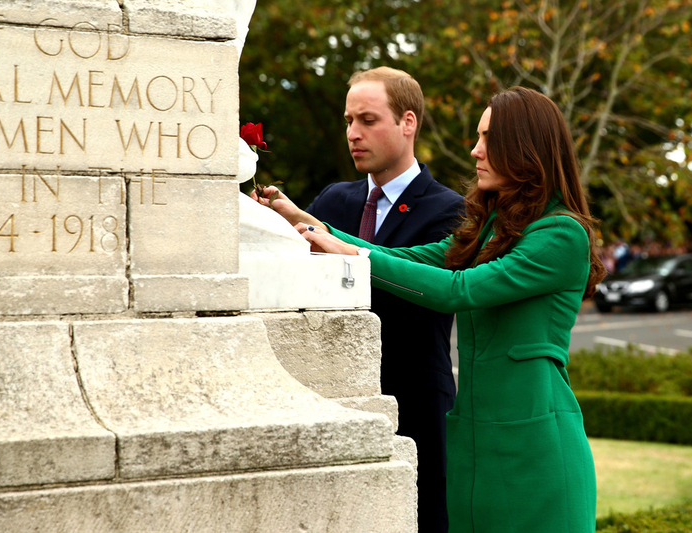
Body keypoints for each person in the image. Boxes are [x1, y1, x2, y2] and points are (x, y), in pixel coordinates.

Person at [290, 86, 606, 533]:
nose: (475, 151)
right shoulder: (494, 226)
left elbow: (456, 290)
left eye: (488, 138)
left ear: (525, 147)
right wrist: (308, 224)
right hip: (477, 443)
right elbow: (411, 258)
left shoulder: (561, 235)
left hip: (536, 450)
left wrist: (350, 255)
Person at [251, 67, 463, 533]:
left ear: (408, 122)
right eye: (348, 121)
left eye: (368, 120)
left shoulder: (449, 209)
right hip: (329, 397)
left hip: (414, 402)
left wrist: (330, 240)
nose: (353, 134)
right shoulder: (332, 200)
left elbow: (426, 289)